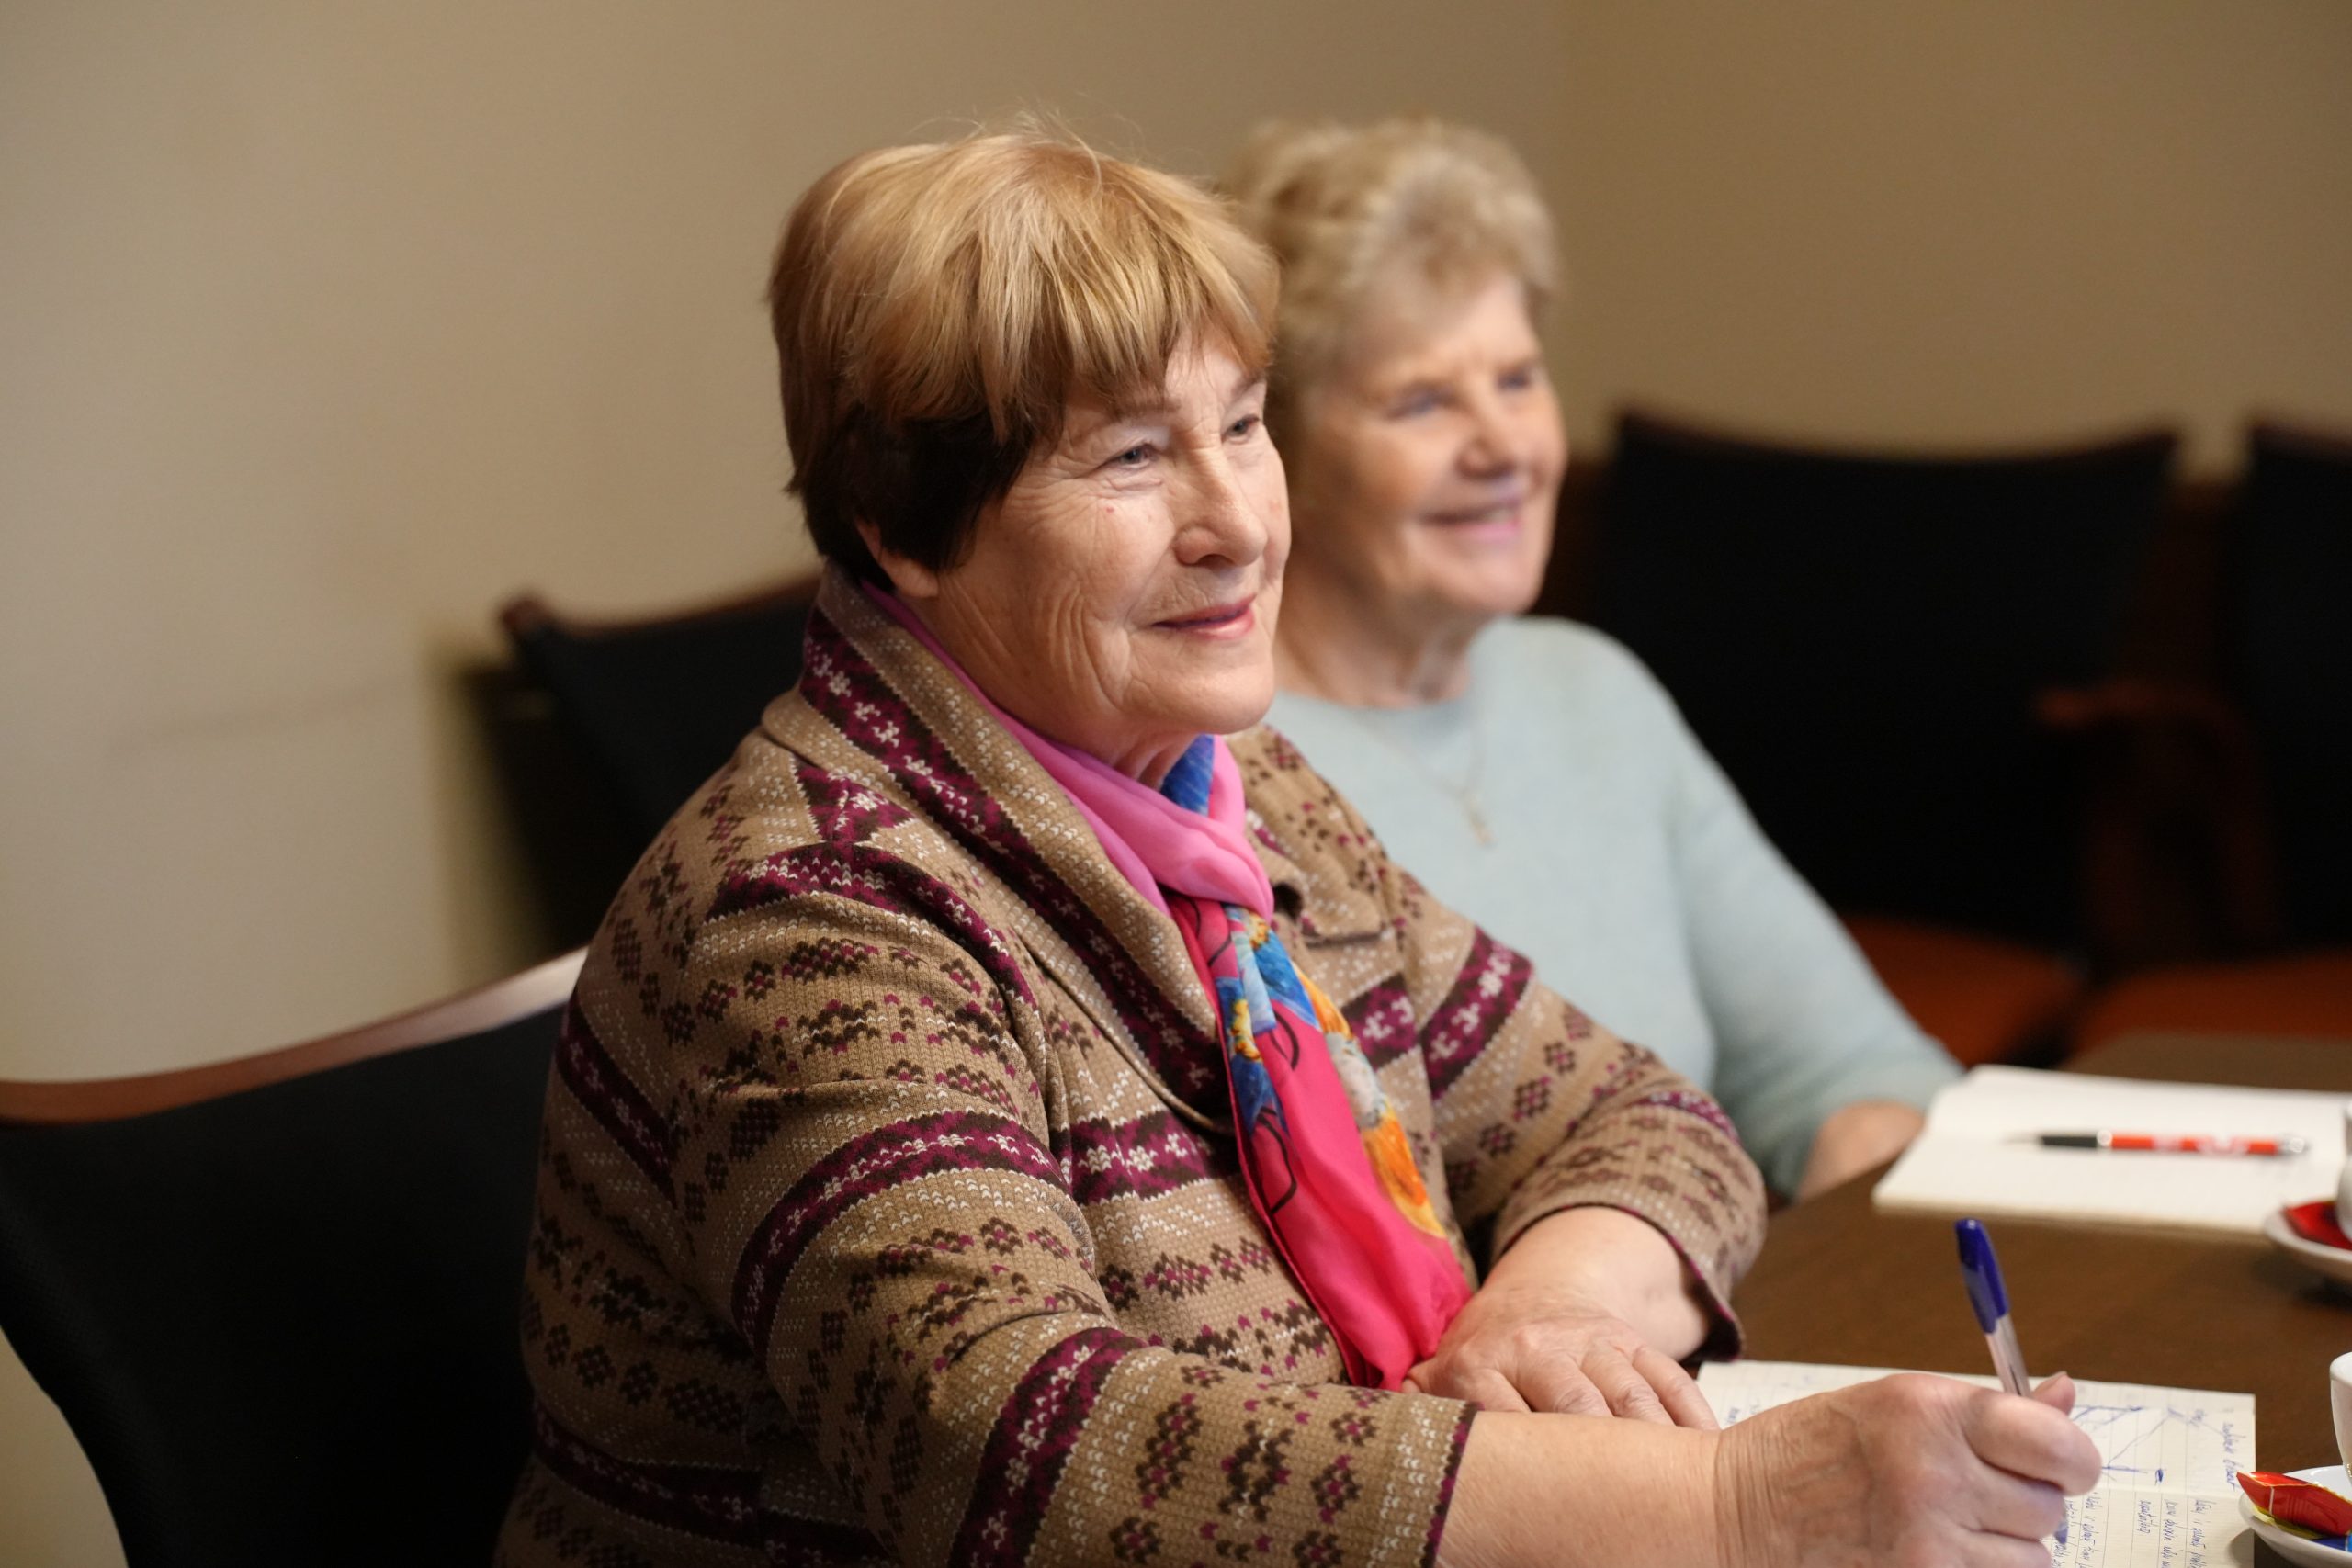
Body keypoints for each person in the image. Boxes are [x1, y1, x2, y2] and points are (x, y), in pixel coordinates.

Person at [498, 129, 2098, 1568]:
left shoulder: (1240, 793)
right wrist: (1745, 1510)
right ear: (903, 527)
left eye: (1245, 425)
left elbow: (1636, 1112)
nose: (1241, 522)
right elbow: (1028, 1461)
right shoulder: (810, 905)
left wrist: (1547, 1316)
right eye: (1134, 455)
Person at [1224, 118, 1962, 1201]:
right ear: (1275, 448)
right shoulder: (1213, 765)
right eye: (1422, 401)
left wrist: (1871, 1171)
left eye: (1518, 380)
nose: (1504, 448)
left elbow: (1844, 1067)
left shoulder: (1589, 691)